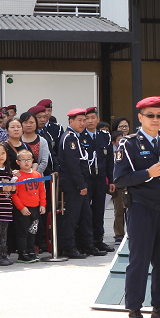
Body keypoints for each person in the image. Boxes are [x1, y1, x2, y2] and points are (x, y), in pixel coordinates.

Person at [112, 96, 160, 318]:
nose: (155, 119)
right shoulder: (129, 144)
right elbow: (120, 179)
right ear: (140, 118)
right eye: (150, 115)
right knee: (139, 262)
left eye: (159, 115)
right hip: (141, 209)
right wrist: (148, 173)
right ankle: (134, 312)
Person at [57, 108, 96, 258]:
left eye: (84, 120)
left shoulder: (76, 136)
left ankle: (87, 244)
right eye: (79, 120)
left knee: (86, 215)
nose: (83, 123)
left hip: (81, 181)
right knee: (72, 217)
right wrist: (81, 185)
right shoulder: (69, 138)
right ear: (70, 121)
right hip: (74, 183)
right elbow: (73, 165)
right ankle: (69, 247)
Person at [82, 108, 113, 252]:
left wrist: (111, 180)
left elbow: (110, 160)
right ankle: (87, 241)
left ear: (98, 120)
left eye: (92, 118)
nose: (90, 121)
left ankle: (98, 239)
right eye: (87, 118)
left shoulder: (104, 136)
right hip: (87, 179)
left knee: (99, 210)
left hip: (101, 179)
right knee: (86, 211)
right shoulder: (80, 136)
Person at [11, 149, 45, 262]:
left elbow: (41, 190)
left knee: (33, 231)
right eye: (23, 160)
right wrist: (21, 207)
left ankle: (31, 251)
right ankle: (22, 253)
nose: (26, 162)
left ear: (32, 161)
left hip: (35, 208)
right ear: (17, 162)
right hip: (23, 209)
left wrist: (43, 204)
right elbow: (14, 194)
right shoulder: (17, 176)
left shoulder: (37, 174)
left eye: (28, 159)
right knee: (23, 232)